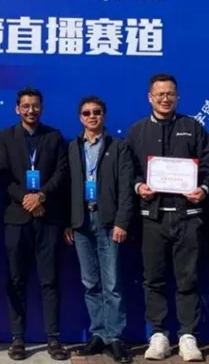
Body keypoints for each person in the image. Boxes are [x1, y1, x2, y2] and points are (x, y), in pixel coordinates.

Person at [126, 73, 209, 362]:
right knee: (153, 279)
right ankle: (159, 335)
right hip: (152, 218)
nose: (165, 99)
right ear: (149, 97)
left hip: (187, 216)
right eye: (159, 94)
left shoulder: (192, 127)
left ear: (177, 96)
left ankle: (188, 336)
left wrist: (203, 190)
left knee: (188, 278)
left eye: (170, 94)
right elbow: (129, 172)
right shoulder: (137, 131)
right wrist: (138, 187)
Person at [0, 87, 70, 361]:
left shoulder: (54, 136)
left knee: (49, 280)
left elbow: (62, 173)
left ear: (42, 108)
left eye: (35, 106)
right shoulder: (6, 136)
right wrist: (25, 198)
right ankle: (17, 339)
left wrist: (41, 196)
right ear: (17, 109)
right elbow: (2, 175)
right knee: (16, 279)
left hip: (47, 217)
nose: (31, 110)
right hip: (16, 218)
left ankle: (53, 338)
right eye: (25, 106)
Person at [63, 96, 135, 363]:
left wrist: (122, 222)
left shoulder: (118, 146)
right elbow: (66, 187)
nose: (92, 116)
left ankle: (115, 337)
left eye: (96, 112)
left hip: (108, 221)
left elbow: (126, 187)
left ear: (104, 115)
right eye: (86, 113)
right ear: (80, 117)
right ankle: (98, 333)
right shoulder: (72, 147)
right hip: (81, 222)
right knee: (90, 282)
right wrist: (68, 222)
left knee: (112, 283)